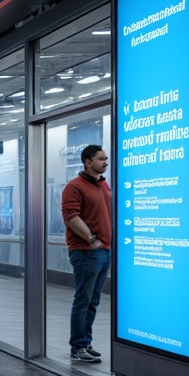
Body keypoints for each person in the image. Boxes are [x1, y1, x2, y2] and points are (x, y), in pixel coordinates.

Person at [61, 144, 111, 364]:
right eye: (101, 159)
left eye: (106, 158)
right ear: (87, 161)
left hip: (104, 251)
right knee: (83, 300)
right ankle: (78, 347)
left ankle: (86, 342)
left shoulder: (103, 185)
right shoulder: (75, 186)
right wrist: (92, 239)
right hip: (86, 251)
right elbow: (71, 216)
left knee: (93, 300)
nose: (105, 162)